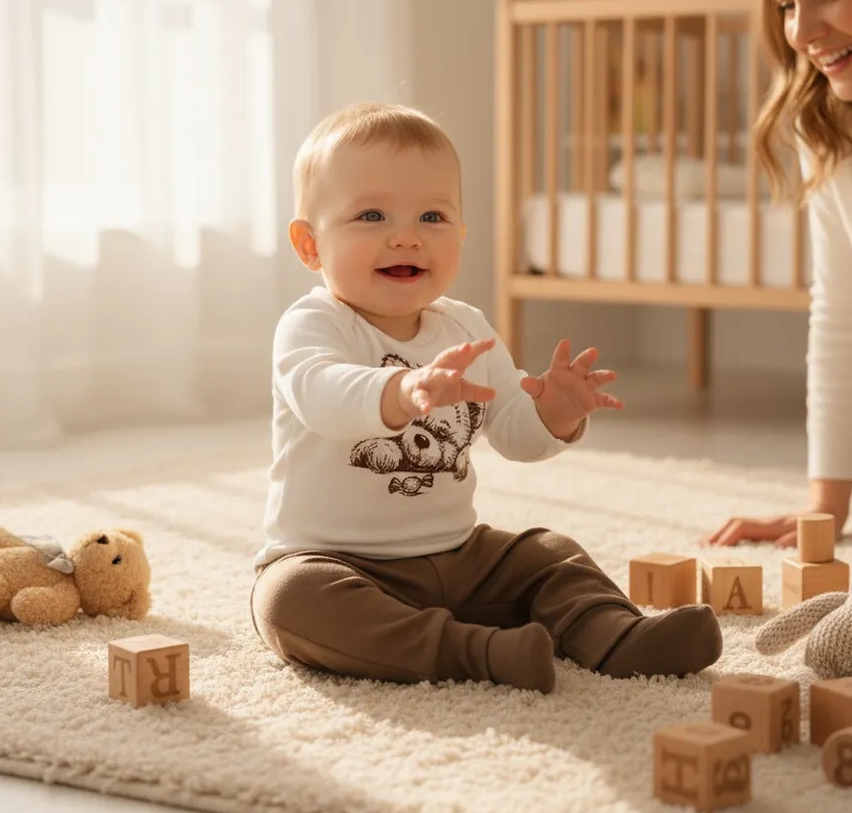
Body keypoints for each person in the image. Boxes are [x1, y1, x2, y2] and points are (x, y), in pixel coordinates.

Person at [251, 102, 722, 692]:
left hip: (459, 554)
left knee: (550, 553)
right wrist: (404, 389)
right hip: (337, 561)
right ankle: (477, 652)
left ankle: (615, 635)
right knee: (290, 603)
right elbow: (321, 394)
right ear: (309, 245)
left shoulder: (467, 327)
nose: (406, 236)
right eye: (371, 215)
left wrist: (555, 412)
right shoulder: (314, 324)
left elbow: (514, 433)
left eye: (433, 216)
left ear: (461, 235)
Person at [706, 0, 852, 550]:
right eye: (784, 2)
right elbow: (846, 316)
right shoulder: (830, 125)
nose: (802, 31)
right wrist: (824, 510)